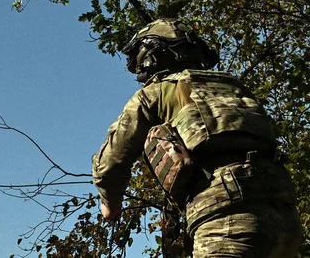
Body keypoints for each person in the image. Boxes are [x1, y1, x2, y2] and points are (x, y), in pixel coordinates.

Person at [92, 18, 302, 257]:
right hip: (285, 218)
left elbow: (111, 161)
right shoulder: (233, 86)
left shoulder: (155, 93)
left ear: (150, 55)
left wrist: (110, 203)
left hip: (224, 222)